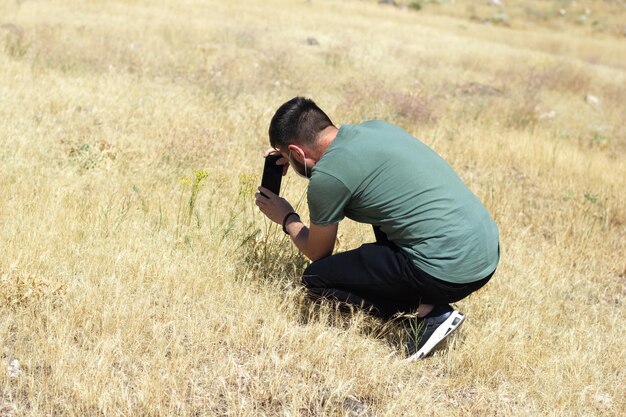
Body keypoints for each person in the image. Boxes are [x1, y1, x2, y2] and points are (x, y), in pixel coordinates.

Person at [255, 97, 500, 360]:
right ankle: (425, 300)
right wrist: (296, 161)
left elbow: (318, 251)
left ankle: (428, 316)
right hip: (484, 255)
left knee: (317, 279)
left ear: (297, 152)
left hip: (445, 271)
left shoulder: (328, 179)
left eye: (289, 158)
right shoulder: (377, 129)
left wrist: (287, 218)